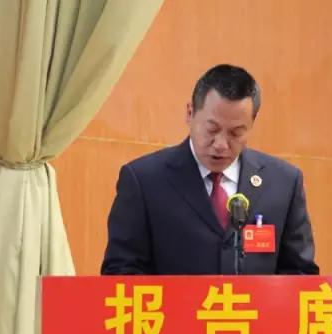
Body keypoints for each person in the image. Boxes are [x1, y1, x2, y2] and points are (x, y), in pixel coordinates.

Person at [101, 64, 319, 275]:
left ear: (252, 124)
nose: (221, 144)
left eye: (235, 133)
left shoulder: (283, 183)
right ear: (190, 113)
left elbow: (300, 274)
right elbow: (122, 272)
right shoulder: (144, 181)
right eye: (211, 129)